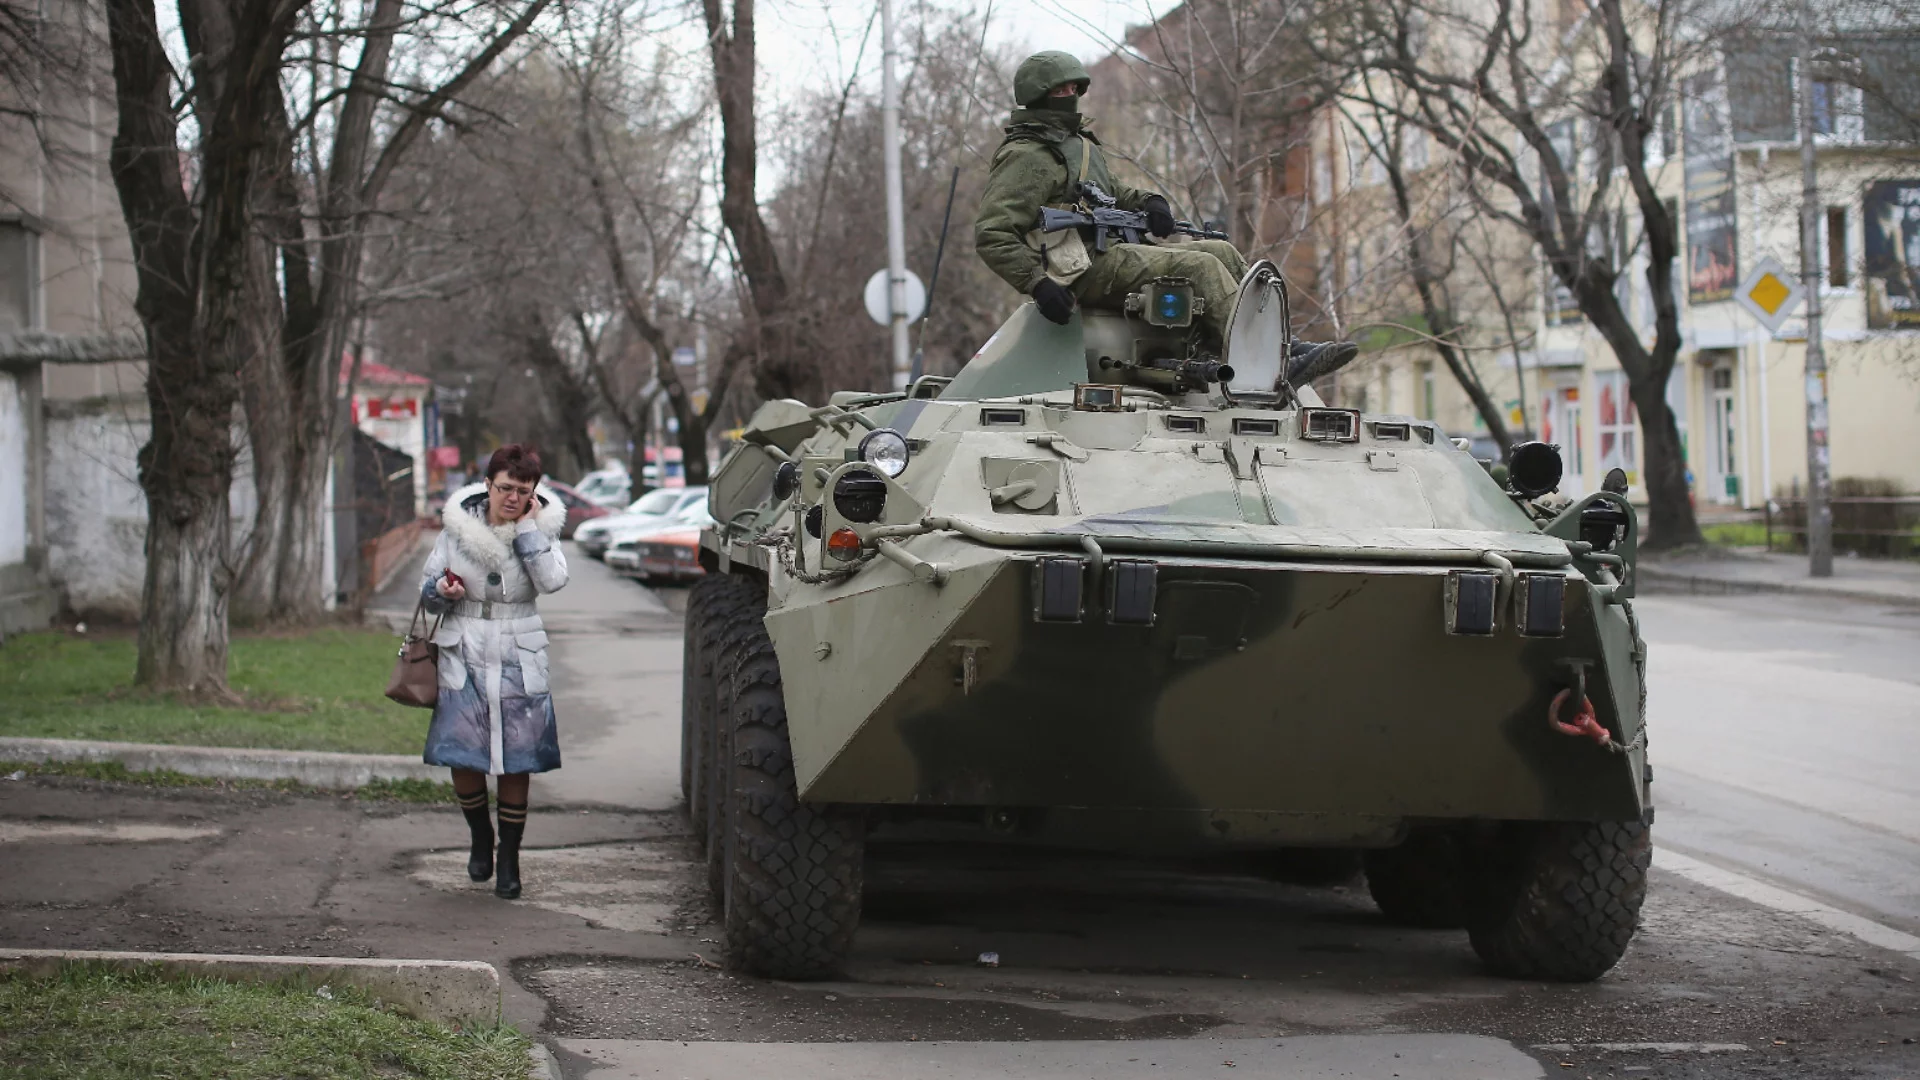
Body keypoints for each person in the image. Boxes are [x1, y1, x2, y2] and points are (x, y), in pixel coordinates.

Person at [974, 50, 1250, 349]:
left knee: (1222, 251)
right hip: (1081, 268)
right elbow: (993, 233)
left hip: (1111, 254)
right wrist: (1037, 283)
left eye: (1074, 89)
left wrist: (1151, 202)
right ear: (1038, 95)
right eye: (1059, 90)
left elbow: (1115, 193)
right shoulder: (1025, 155)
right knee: (1201, 267)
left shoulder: (1079, 145)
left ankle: (1281, 346)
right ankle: (1254, 356)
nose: (1070, 95)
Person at [419, 443, 569, 899]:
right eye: (505, 487)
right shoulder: (457, 529)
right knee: (462, 754)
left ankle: (510, 857)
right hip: (462, 649)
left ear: (533, 494)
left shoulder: (541, 529)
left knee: (516, 760)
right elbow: (426, 594)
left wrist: (527, 530)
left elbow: (552, 581)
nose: (512, 497)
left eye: (522, 491)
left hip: (518, 651)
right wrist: (442, 591)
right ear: (488, 484)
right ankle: (480, 836)